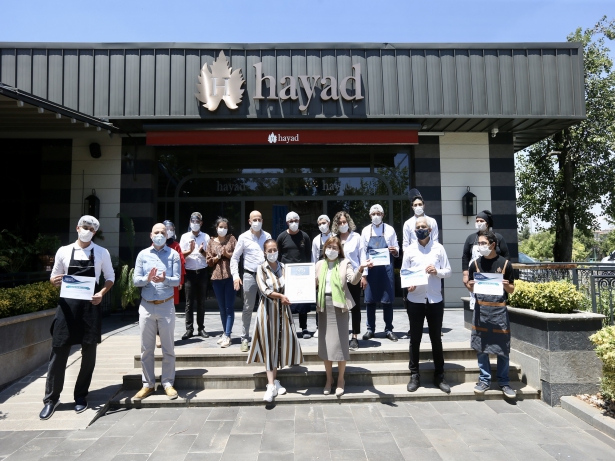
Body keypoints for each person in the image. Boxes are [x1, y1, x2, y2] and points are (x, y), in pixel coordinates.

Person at [40, 215, 114, 420]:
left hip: (90, 307)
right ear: (77, 228)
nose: (87, 230)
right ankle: (51, 399)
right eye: (85, 227)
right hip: (67, 307)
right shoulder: (64, 251)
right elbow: (54, 276)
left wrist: (101, 293)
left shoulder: (102, 252)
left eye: (91, 228)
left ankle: (81, 395)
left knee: (89, 354)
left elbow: (110, 277)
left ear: (95, 232)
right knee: (58, 351)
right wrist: (54, 281)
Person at [248, 239, 303, 402]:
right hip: (267, 311)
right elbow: (264, 290)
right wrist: (280, 296)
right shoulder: (261, 268)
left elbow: (294, 285)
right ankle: (271, 385)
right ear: (264, 252)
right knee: (268, 344)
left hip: (283, 311)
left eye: (274, 250)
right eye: (269, 250)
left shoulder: (285, 268)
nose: (272, 253)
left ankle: (274, 381)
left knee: (279, 343)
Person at [315, 236, 371, 396]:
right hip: (323, 306)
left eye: (335, 247)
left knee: (340, 344)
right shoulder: (319, 264)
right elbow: (312, 283)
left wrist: (361, 269)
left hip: (339, 307)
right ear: (324, 249)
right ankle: (328, 379)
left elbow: (353, 281)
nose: (331, 250)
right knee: (325, 344)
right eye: (329, 247)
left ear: (339, 250)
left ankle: (340, 379)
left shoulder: (345, 263)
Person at [131, 223, 181, 401]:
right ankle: (148, 384)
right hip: (146, 306)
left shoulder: (173, 254)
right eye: (156, 232)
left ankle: (167, 383)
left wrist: (165, 279)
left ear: (167, 235)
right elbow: (136, 280)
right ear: (151, 235)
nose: (159, 235)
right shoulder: (143, 255)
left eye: (162, 232)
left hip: (166, 305)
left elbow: (177, 281)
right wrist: (147, 278)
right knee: (146, 349)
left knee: (168, 348)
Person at [403, 217, 452, 394]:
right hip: (415, 300)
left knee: (436, 339)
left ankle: (439, 375)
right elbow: (404, 273)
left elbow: (448, 271)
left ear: (430, 230)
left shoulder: (439, 248)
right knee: (415, 339)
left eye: (423, 226)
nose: (420, 229)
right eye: (417, 227)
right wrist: (408, 284)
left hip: (434, 300)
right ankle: (414, 375)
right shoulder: (409, 250)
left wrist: (437, 271)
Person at [467, 230, 516, 400]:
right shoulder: (475, 264)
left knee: (502, 348)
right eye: (479, 243)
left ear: (492, 245)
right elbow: (471, 287)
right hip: (481, 311)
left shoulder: (505, 264)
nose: (480, 246)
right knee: (481, 347)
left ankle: (504, 382)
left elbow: (512, 289)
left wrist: (506, 285)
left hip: (499, 311)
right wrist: (470, 285)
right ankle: (484, 380)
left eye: (483, 243)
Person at [231, 210, 272, 352]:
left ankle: (264, 337)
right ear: (249, 221)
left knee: (266, 306)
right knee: (248, 307)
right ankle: (244, 338)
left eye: (259, 219)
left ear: (262, 221)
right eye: (254, 219)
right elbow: (235, 258)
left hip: (264, 275)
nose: (257, 222)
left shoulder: (267, 236)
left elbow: (271, 255)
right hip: (249, 275)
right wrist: (236, 276)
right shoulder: (243, 237)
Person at [360, 204, 399, 342]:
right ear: (370, 216)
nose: (376, 216)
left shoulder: (390, 229)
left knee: (387, 301)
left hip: (386, 271)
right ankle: (370, 329)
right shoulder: (365, 231)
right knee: (370, 301)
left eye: (378, 213)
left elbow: (397, 248)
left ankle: (389, 329)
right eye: (373, 214)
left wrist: (395, 251)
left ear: (383, 215)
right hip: (371, 271)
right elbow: (363, 253)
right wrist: (364, 275)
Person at [461, 210, 509, 309]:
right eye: (477, 221)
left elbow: (506, 256)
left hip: (495, 274)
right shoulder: (471, 238)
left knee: (494, 301)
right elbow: (465, 257)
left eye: (481, 221)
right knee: (478, 301)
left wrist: (505, 273)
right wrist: (465, 274)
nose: (478, 223)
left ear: (487, 223)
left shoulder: (498, 237)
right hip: (477, 275)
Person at [276, 211, 313, 339]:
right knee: (288, 301)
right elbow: (278, 255)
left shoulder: (305, 236)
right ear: (287, 222)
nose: (294, 223)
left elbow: (308, 255)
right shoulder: (282, 237)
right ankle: (289, 327)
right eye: (291, 221)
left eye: (296, 220)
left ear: (299, 221)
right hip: (287, 275)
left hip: (302, 274)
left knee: (303, 302)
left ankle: (304, 328)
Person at [331, 211, 363, 351]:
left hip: (354, 276)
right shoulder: (334, 238)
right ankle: (340, 335)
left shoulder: (356, 237)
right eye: (340, 223)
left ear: (348, 222)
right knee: (339, 307)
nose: (342, 224)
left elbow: (362, 256)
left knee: (355, 307)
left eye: (344, 222)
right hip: (338, 277)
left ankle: (354, 336)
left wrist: (364, 276)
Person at [206, 217, 237, 348]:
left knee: (229, 307)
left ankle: (228, 335)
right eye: (221, 227)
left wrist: (226, 254)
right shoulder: (211, 242)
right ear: (216, 228)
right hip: (217, 278)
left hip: (230, 277)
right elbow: (208, 261)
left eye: (225, 227)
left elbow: (237, 256)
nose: (223, 229)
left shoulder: (232, 239)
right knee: (222, 307)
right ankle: (225, 333)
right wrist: (217, 257)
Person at [179, 212, 210, 340]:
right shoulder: (184, 237)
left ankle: (201, 328)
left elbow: (209, 256)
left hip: (202, 271)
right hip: (189, 272)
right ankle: (189, 329)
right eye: (193, 221)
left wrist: (202, 251)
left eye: (197, 221)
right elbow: (180, 256)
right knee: (189, 303)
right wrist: (190, 251)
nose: (195, 223)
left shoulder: (206, 237)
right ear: (190, 222)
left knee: (201, 302)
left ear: (201, 223)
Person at [155, 220, 185, 348]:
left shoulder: (176, 245)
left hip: (171, 281)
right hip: (157, 282)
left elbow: (181, 264)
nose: (168, 231)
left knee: (170, 310)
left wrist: (181, 281)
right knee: (157, 308)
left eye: (170, 229)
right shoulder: (154, 246)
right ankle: (158, 335)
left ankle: (168, 336)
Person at [311, 214, 332, 338]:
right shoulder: (316, 240)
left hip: (333, 272)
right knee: (320, 302)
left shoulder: (335, 237)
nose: (322, 226)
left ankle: (333, 326)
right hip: (321, 274)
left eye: (323, 223)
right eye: (319, 224)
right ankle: (319, 327)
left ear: (329, 223)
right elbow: (313, 259)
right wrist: (314, 276)